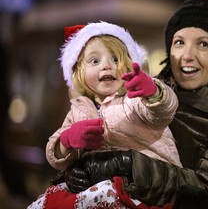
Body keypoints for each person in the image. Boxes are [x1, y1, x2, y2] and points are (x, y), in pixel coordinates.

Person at [62, 0, 208, 209]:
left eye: (203, 44)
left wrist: (129, 166)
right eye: (179, 43)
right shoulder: (148, 92)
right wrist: (78, 170)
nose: (187, 55)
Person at [28, 21, 181, 209]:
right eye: (95, 61)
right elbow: (55, 155)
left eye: (116, 59)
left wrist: (152, 92)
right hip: (100, 183)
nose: (107, 66)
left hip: (147, 184)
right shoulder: (79, 108)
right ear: (79, 72)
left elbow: (162, 111)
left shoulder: (133, 99)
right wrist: (67, 140)